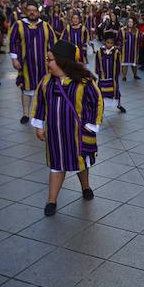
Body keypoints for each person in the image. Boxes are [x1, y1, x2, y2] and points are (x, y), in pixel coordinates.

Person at [30, 41, 103, 217]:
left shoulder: (85, 82)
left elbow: (96, 102)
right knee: (57, 166)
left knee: (81, 163)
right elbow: (39, 103)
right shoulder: (46, 81)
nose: (48, 63)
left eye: (51, 60)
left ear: (63, 61)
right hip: (55, 135)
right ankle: (52, 200)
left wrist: (89, 125)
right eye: (48, 60)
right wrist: (39, 125)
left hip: (78, 135)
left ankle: (85, 187)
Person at [9, 0, 56, 124]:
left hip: (44, 65)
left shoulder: (46, 26)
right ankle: (26, 114)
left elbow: (52, 43)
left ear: (38, 12)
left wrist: (53, 61)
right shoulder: (18, 25)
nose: (32, 13)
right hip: (26, 64)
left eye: (34, 10)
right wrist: (14, 59)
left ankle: (46, 112)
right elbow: (13, 42)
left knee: (46, 88)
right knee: (26, 89)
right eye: (29, 10)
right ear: (26, 11)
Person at [96, 29, 126, 113]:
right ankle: (100, 107)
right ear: (104, 42)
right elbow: (97, 63)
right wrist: (99, 72)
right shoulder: (99, 52)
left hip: (113, 76)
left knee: (115, 90)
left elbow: (118, 64)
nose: (109, 44)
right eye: (107, 42)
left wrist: (117, 74)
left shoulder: (116, 52)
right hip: (103, 75)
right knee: (101, 91)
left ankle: (119, 104)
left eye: (111, 43)